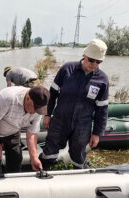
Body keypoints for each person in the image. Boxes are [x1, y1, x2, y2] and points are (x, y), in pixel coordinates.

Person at [39, 39, 110, 169]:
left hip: (83, 125)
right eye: (91, 60)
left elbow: (102, 110)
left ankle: (79, 179)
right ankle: (42, 172)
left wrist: (97, 133)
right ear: (85, 55)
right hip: (60, 120)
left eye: (98, 62)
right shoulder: (67, 69)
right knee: (49, 152)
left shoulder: (102, 80)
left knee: (78, 156)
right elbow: (52, 94)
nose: (94, 64)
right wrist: (47, 114)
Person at [0, 86, 49, 177]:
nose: (36, 112)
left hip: (13, 129)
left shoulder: (38, 109)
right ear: (28, 98)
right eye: (35, 108)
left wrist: (34, 158)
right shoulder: (8, 98)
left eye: (38, 109)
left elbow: (32, 133)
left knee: (16, 159)